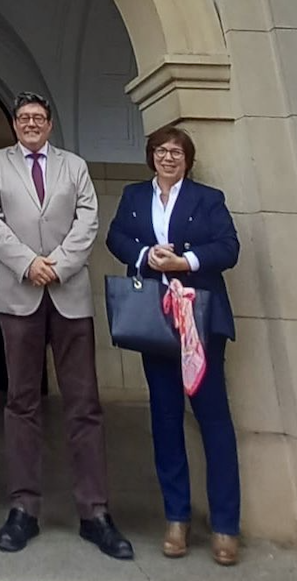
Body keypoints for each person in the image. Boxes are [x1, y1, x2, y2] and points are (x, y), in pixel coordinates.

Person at [0, 91, 133, 559]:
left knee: (84, 404)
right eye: (23, 117)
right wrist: (28, 263)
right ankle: (23, 508)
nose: (31, 123)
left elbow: (89, 219)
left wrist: (58, 265)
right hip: (17, 292)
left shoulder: (74, 166)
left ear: (50, 123)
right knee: (21, 401)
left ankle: (95, 512)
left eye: (38, 117)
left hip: (68, 295)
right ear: (14, 124)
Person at [106, 125, 241, 566]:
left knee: (213, 419)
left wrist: (186, 261)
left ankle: (224, 525)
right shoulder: (133, 196)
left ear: (188, 158)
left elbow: (228, 247)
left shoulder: (208, 198)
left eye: (177, 152)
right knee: (165, 418)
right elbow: (116, 238)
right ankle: (176, 518)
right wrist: (146, 255)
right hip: (154, 320)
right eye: (162, 151)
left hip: (199, 319)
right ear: (151, 156)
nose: (168, 158)